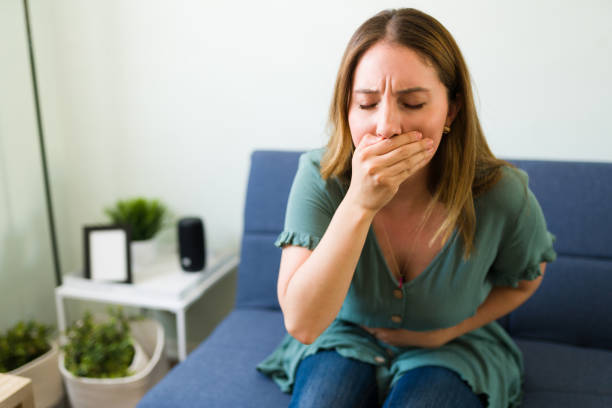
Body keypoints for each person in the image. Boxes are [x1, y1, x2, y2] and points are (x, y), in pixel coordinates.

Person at [257, 8, 557, 408]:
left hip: (455, 344)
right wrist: (359, 205)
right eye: (365, 104)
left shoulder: (501, 192)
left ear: (450, 110)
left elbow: (525, 279)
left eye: (412, 103)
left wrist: (448, 331)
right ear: (347, 109)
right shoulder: (319, 176)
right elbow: (303, 325)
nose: (386, 126)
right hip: (345, 335)